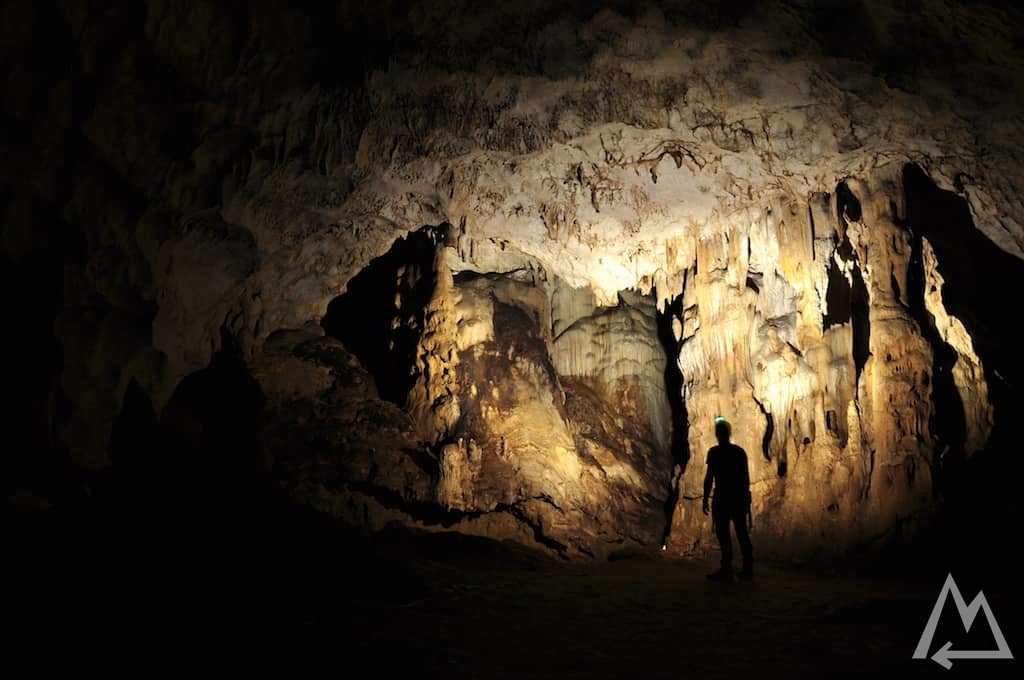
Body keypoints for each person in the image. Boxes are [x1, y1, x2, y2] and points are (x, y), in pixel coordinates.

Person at [702, 416, 753, 582]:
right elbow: (745, 478)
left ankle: (727, 569)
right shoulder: (739, 452)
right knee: (741, 533)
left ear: (717, 434)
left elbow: (709, 477)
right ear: (729, 434)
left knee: (723, 535)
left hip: (722, 498)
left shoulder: (714, 452)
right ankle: (747, 569)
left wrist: (705, 498)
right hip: (737, 497)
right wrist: (746, 498)